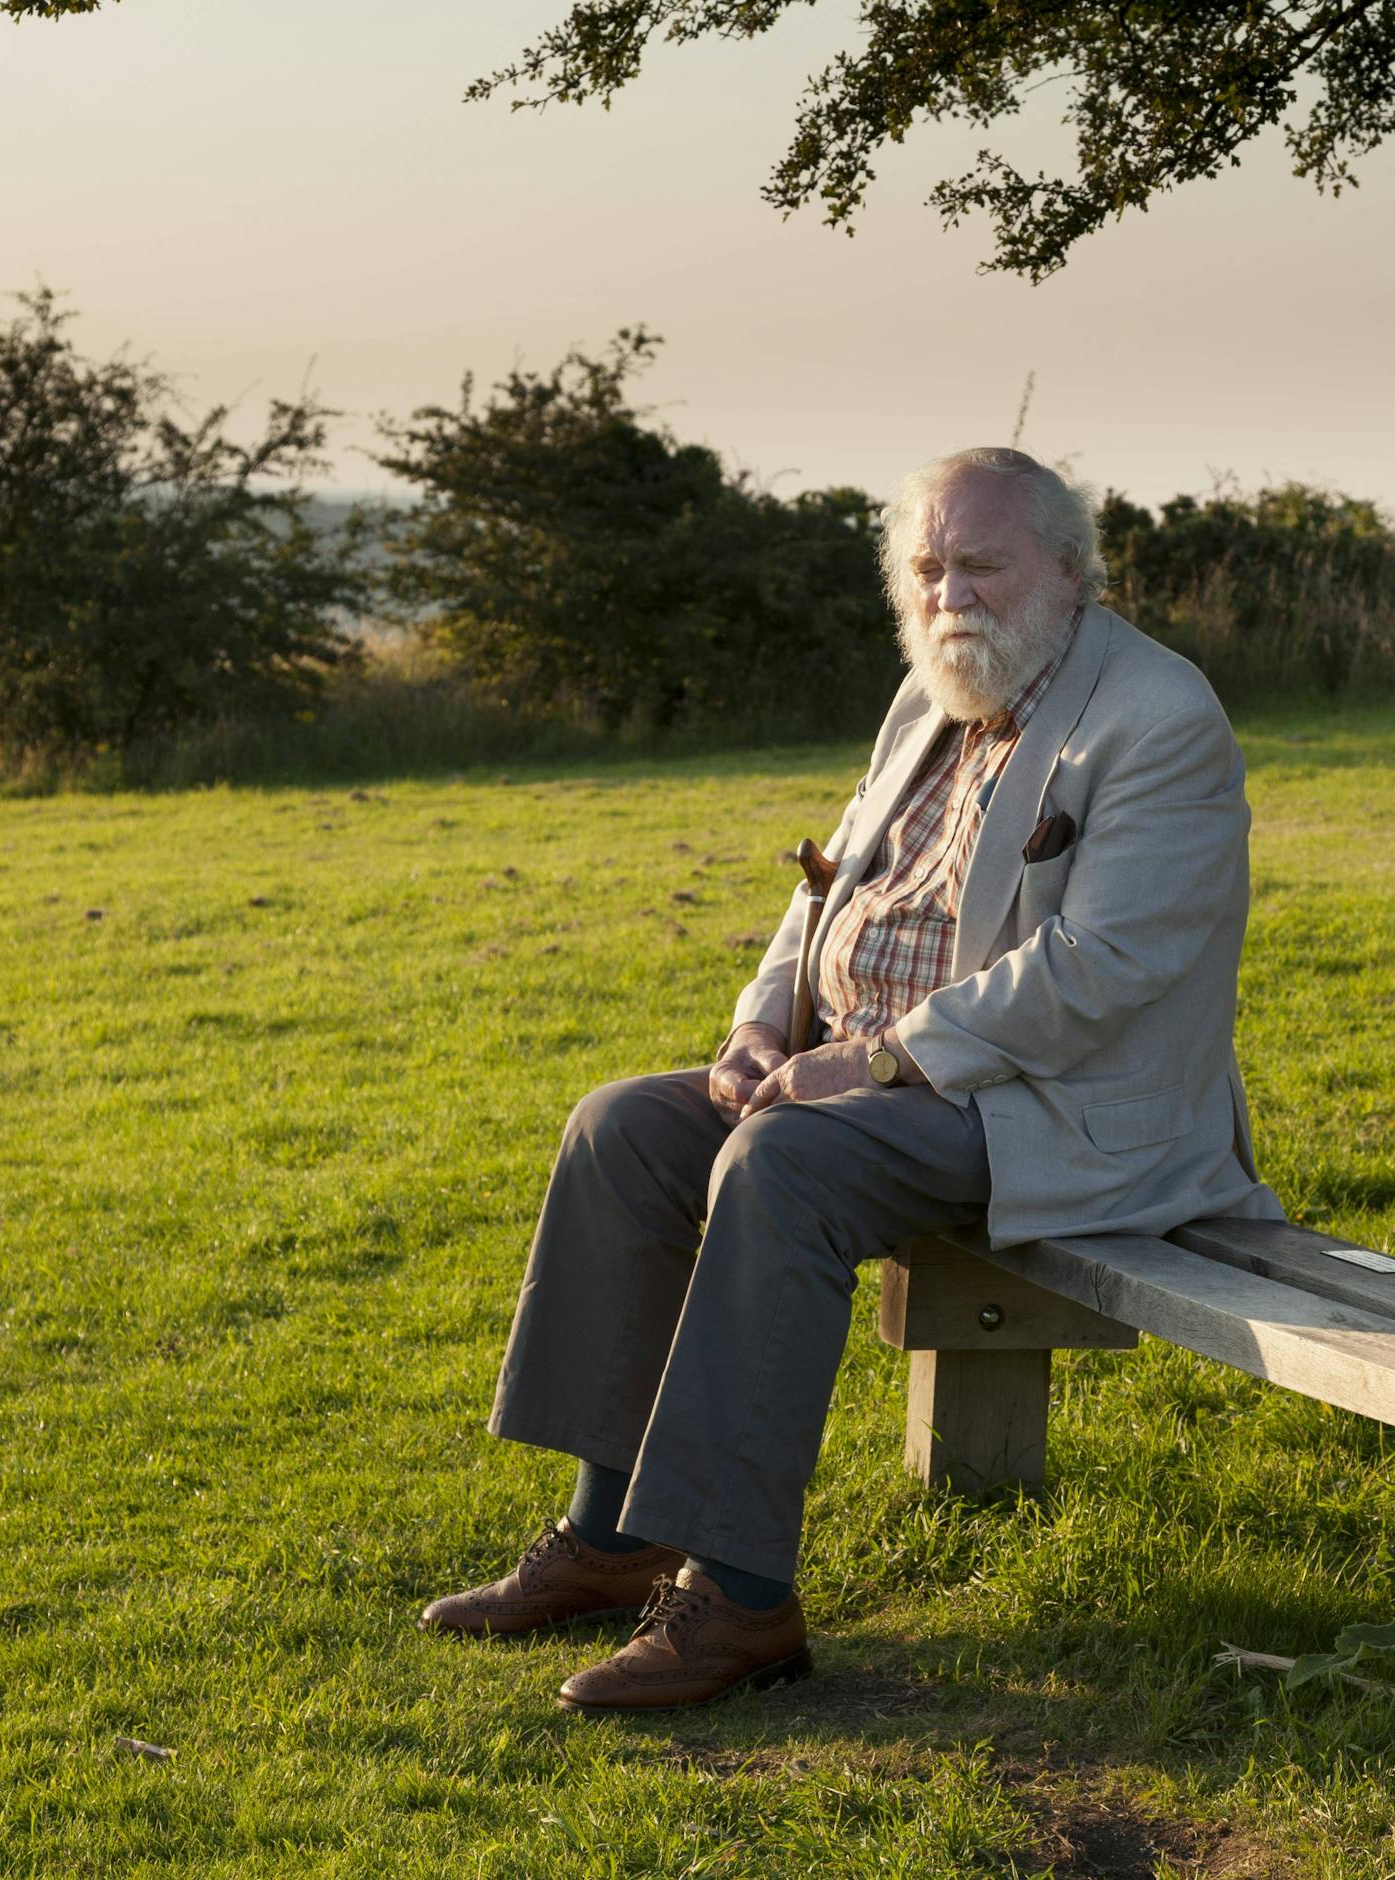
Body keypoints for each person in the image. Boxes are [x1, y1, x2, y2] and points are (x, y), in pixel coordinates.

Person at [419, 446, 1284, 1714]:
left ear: (1066, 568)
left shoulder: (1157, 714)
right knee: (623, 1127)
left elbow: (1104, 963)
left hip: (1044, 1109)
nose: (950, 595)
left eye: (981, 564)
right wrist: (758, 1028)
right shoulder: (926, 694)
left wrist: (873, 1057)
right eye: (926, 567)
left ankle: (739, 1599)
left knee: (778, 1164)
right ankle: (608, 1541)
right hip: (864, 1079)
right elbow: (827, 890)